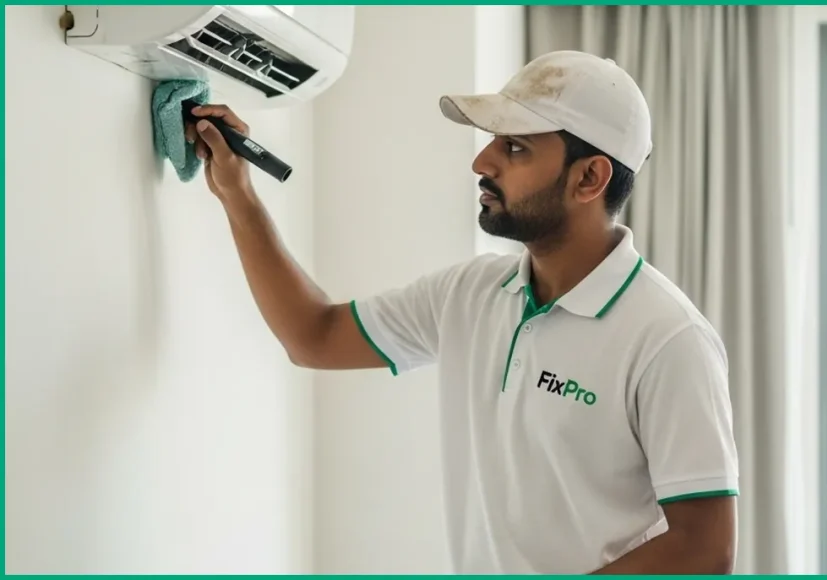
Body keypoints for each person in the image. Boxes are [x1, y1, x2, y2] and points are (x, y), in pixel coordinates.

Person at [187, 50, 739, 575]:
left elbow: (704, 549)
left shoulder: (669, 338)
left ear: (589, 178)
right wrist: (239, 195)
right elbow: (314, 336)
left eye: (516, 148)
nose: (482, 161)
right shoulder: (470, 293)